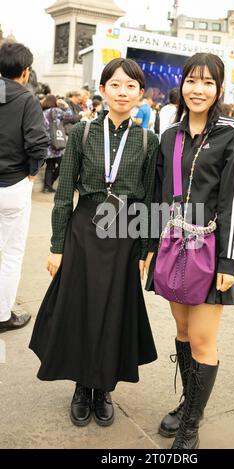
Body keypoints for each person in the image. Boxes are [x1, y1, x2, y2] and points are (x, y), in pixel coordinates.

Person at [29, 58, 159, 428]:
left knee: (113, 312)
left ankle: (103, 389)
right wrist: (57, 244)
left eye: (130, 86)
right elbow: (63, 192)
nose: (122, 92)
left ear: (139, 93)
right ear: (102, 90)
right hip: (84, 230)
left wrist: (145, 248)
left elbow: (150, 199)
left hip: (124, 235)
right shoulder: (82, 133)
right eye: (115, 85)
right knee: (81, 309)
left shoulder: (148, 140)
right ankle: (81, 386)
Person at [145, 52, 234, 449]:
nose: (198, 89)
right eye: (192, 80)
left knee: (204, 340)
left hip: (212, 252)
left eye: (207, 82)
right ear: (182, 84)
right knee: (183, 332)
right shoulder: (169, 135)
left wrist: (230, 260)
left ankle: (190, 428)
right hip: (174, 248)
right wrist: (152, 246)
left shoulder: (231, 133)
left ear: (219, 88)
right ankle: (189, 402)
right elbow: (159, 197)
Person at [0, 42, 48, 332]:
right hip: (13, 185)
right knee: (11, 253)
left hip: (12, 182)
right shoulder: (26, 99)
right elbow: (37, 143)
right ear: (26, 71)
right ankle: (2, 314)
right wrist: (31, 173)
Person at [42, 94, 72, 193]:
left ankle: (47, 187)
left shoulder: (43, 112)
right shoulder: (55, 111)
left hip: (47, 143)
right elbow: (69, 116)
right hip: (56, 142)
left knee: (50, 166)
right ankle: (50, 182)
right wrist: (65, 105)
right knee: (63, 164)